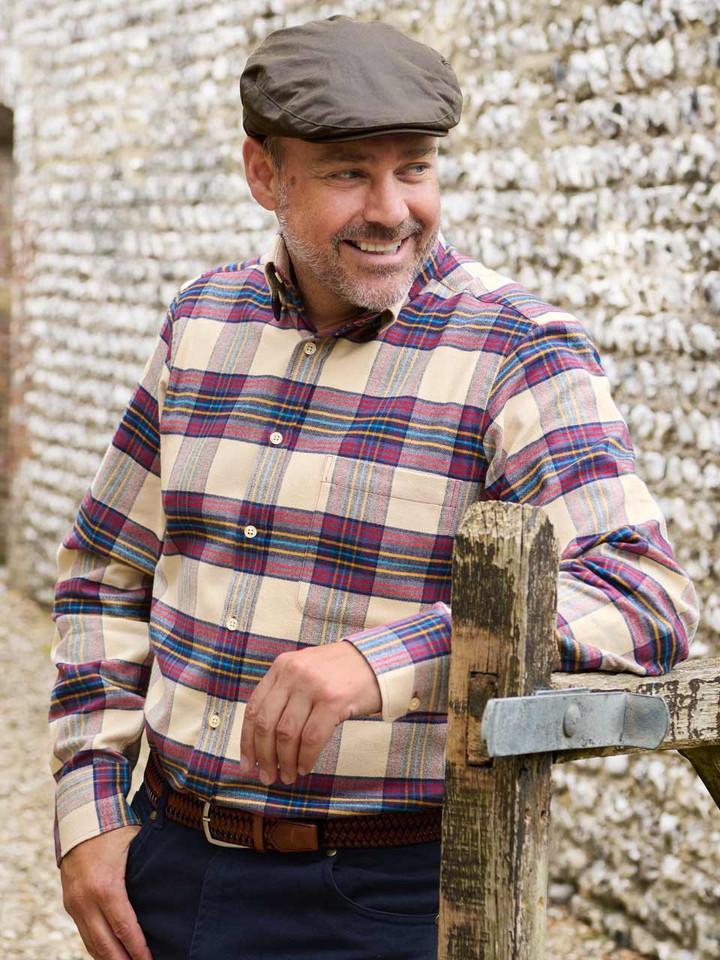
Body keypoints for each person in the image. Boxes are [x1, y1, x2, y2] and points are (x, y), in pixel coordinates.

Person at [50, 15, 698, 960]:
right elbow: (105, 574)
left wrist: (385, 662)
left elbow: (644, 597)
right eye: (350, 171)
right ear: (265, 174)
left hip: (381, 900)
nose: (393, 208)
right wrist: (90, 809)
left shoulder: (519, 352)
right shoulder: (200, 324)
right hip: (164, 863)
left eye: (417, 167)